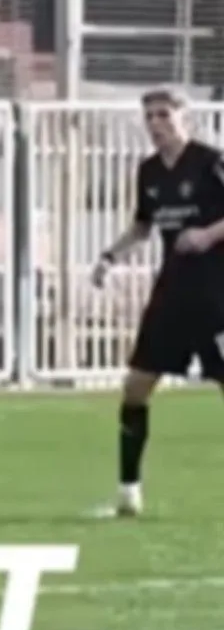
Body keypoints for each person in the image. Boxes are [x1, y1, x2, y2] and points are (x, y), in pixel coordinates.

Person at [90, 88, 224, 517]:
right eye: (149, 116)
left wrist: (207, 235)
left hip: (216, 293)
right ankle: (128, 492)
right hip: (173, 292)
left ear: (185, 117)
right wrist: (110, 257)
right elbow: (143, 226)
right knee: (136, 386)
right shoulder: (148, 171)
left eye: (164, 114)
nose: (155, 124)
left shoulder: (210, 161)